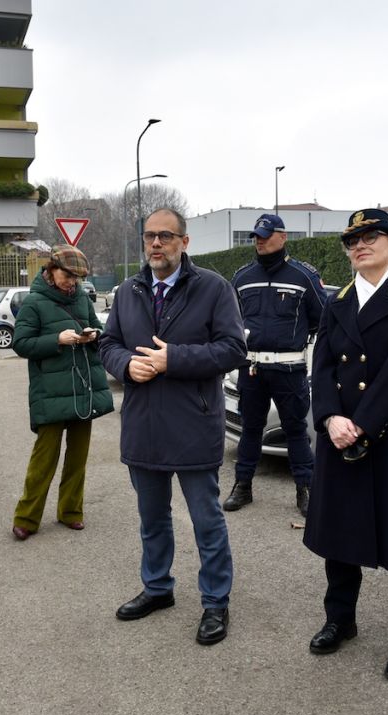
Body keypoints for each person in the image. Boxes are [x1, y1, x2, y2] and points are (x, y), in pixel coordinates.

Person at [302, 209, 388, 683]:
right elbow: (321, 367)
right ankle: (340, 619)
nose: (360, 245)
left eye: (371, 236)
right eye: (352, 240)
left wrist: (359, 423)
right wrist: (329, 418)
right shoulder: (337, 301)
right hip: (341, 432)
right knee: (340, 533)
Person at [99, 208, 247, 645]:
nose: (156, 243)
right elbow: (108, 343)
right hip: (143, 424)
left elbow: (233, 348)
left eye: (166, 236)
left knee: (206, 520)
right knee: (152, 519)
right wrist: (126, 365)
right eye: (150, 236)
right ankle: (158, 587)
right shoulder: (129, 291)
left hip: (193, 423)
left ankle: (215, 601)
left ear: (185, 242)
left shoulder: (213, 288)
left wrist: (174, 359)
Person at [223, 214, 326, 515]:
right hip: (251, 368)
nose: (260, 241)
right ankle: (243, 486)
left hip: (289, 370)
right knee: (250, 430)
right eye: (256, 236)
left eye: (266, 236)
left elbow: (322, 319)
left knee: (296, 431)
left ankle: (305, 489)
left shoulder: (303, 276)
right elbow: (230, 320)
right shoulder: (242, 277)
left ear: (283, 237)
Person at [10, 245, 113, 539]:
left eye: (77, 278)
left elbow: (97, 329)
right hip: (50, 392)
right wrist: (56, 339)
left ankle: (71, 512)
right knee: (43, 461)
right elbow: (21, 344)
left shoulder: (80, 297)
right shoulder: (34, 302)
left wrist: (94, 335)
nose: (72, 282)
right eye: (67, 276)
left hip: (82, 388)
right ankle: (26, 519)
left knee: (78, 459)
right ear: (51, 270)